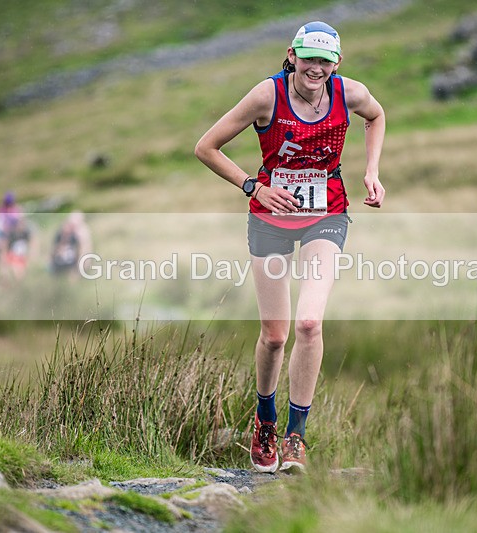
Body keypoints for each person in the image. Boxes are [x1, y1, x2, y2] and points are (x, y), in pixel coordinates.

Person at [195, 21, 385, 473]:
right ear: (292, 55)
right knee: (276, 335)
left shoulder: (351, 93)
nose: (316, 68)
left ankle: (296, 437)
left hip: (327, 213)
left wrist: (371, 171)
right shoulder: (268, 96)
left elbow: (377, 117)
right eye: (308, 58)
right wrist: (252, 187)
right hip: (270, 220)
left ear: (336, 63)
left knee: (308, 323)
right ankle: (264, 420)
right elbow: (206, 147)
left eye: (326, 60)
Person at [50, 211, 91, 277]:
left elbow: (84, 252)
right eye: (70, 224)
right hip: (61, 263)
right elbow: (55, 251)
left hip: (75, 263)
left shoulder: (81, 235)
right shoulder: (62, 233)